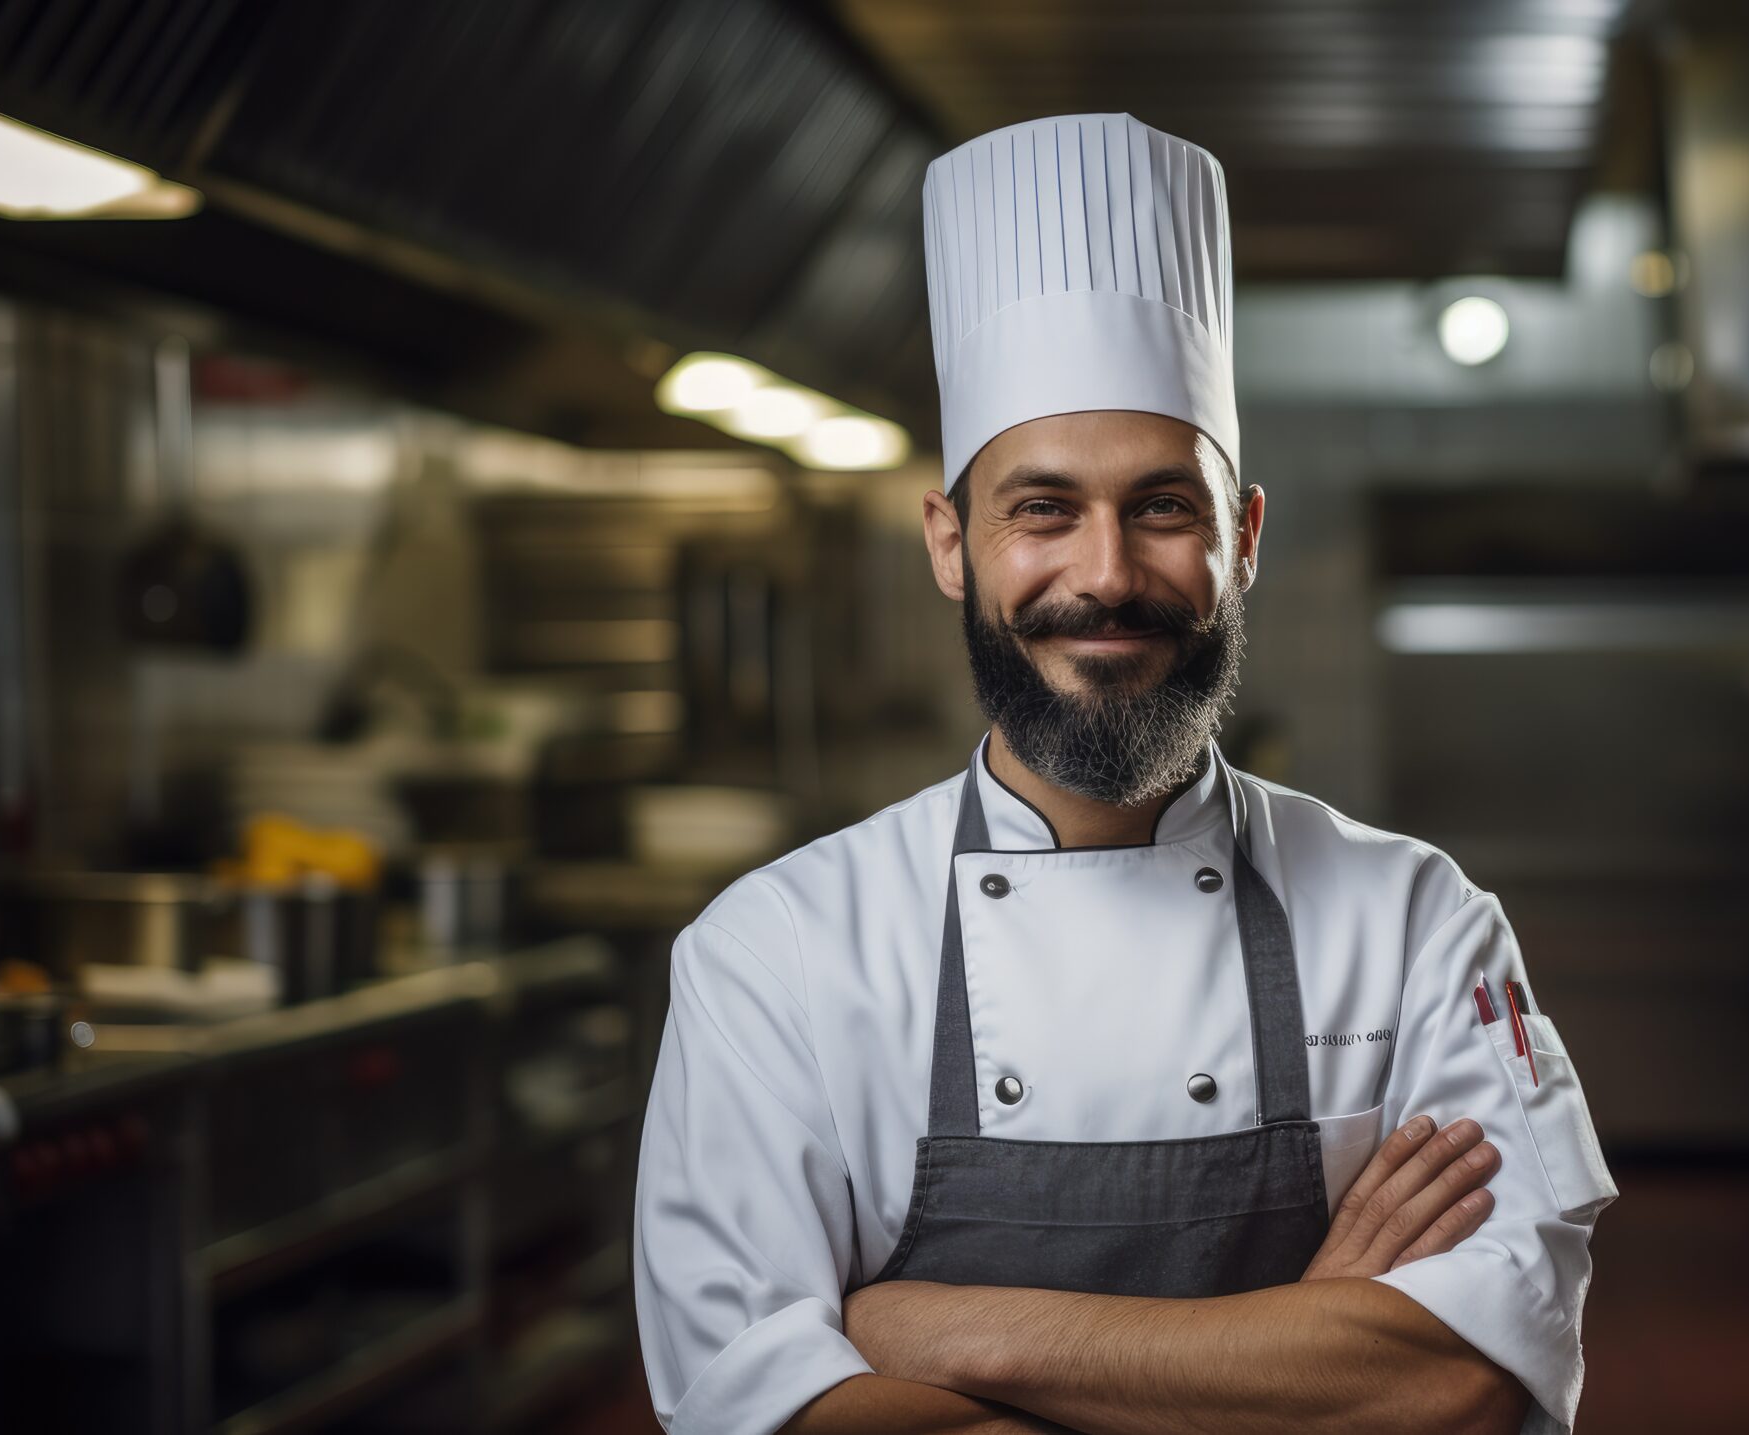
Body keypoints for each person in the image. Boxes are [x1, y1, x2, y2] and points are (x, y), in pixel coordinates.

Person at [634, 113, 1616, 1435]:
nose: (1105, 576)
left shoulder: (1415, 924)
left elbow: (1465, 1384)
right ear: (950, 542)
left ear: (1245, 536)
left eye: (1163, 507)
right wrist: (1293, 1358)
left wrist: (929, 1330)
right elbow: (759, 1414)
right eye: (1043, 509)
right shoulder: (779, 954)